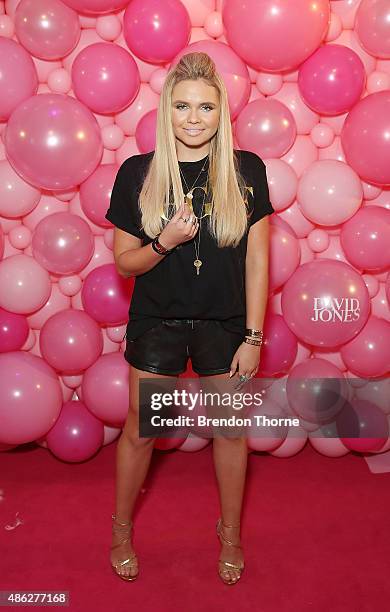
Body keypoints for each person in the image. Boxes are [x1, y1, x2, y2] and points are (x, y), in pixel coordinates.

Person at [105, 51, 274, 585]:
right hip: (157, 319)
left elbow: (257, 259)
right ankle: (121, 530)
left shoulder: (247, 171)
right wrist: (165, 241)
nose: (193, 118)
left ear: (221, 111)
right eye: (182, 105)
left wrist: (253, 335)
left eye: (205, 106)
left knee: (229, 432)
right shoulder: (138, 173)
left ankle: (230, 533)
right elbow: (124, 263)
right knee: (141, 432)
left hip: (225, 323)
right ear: (167, 109)